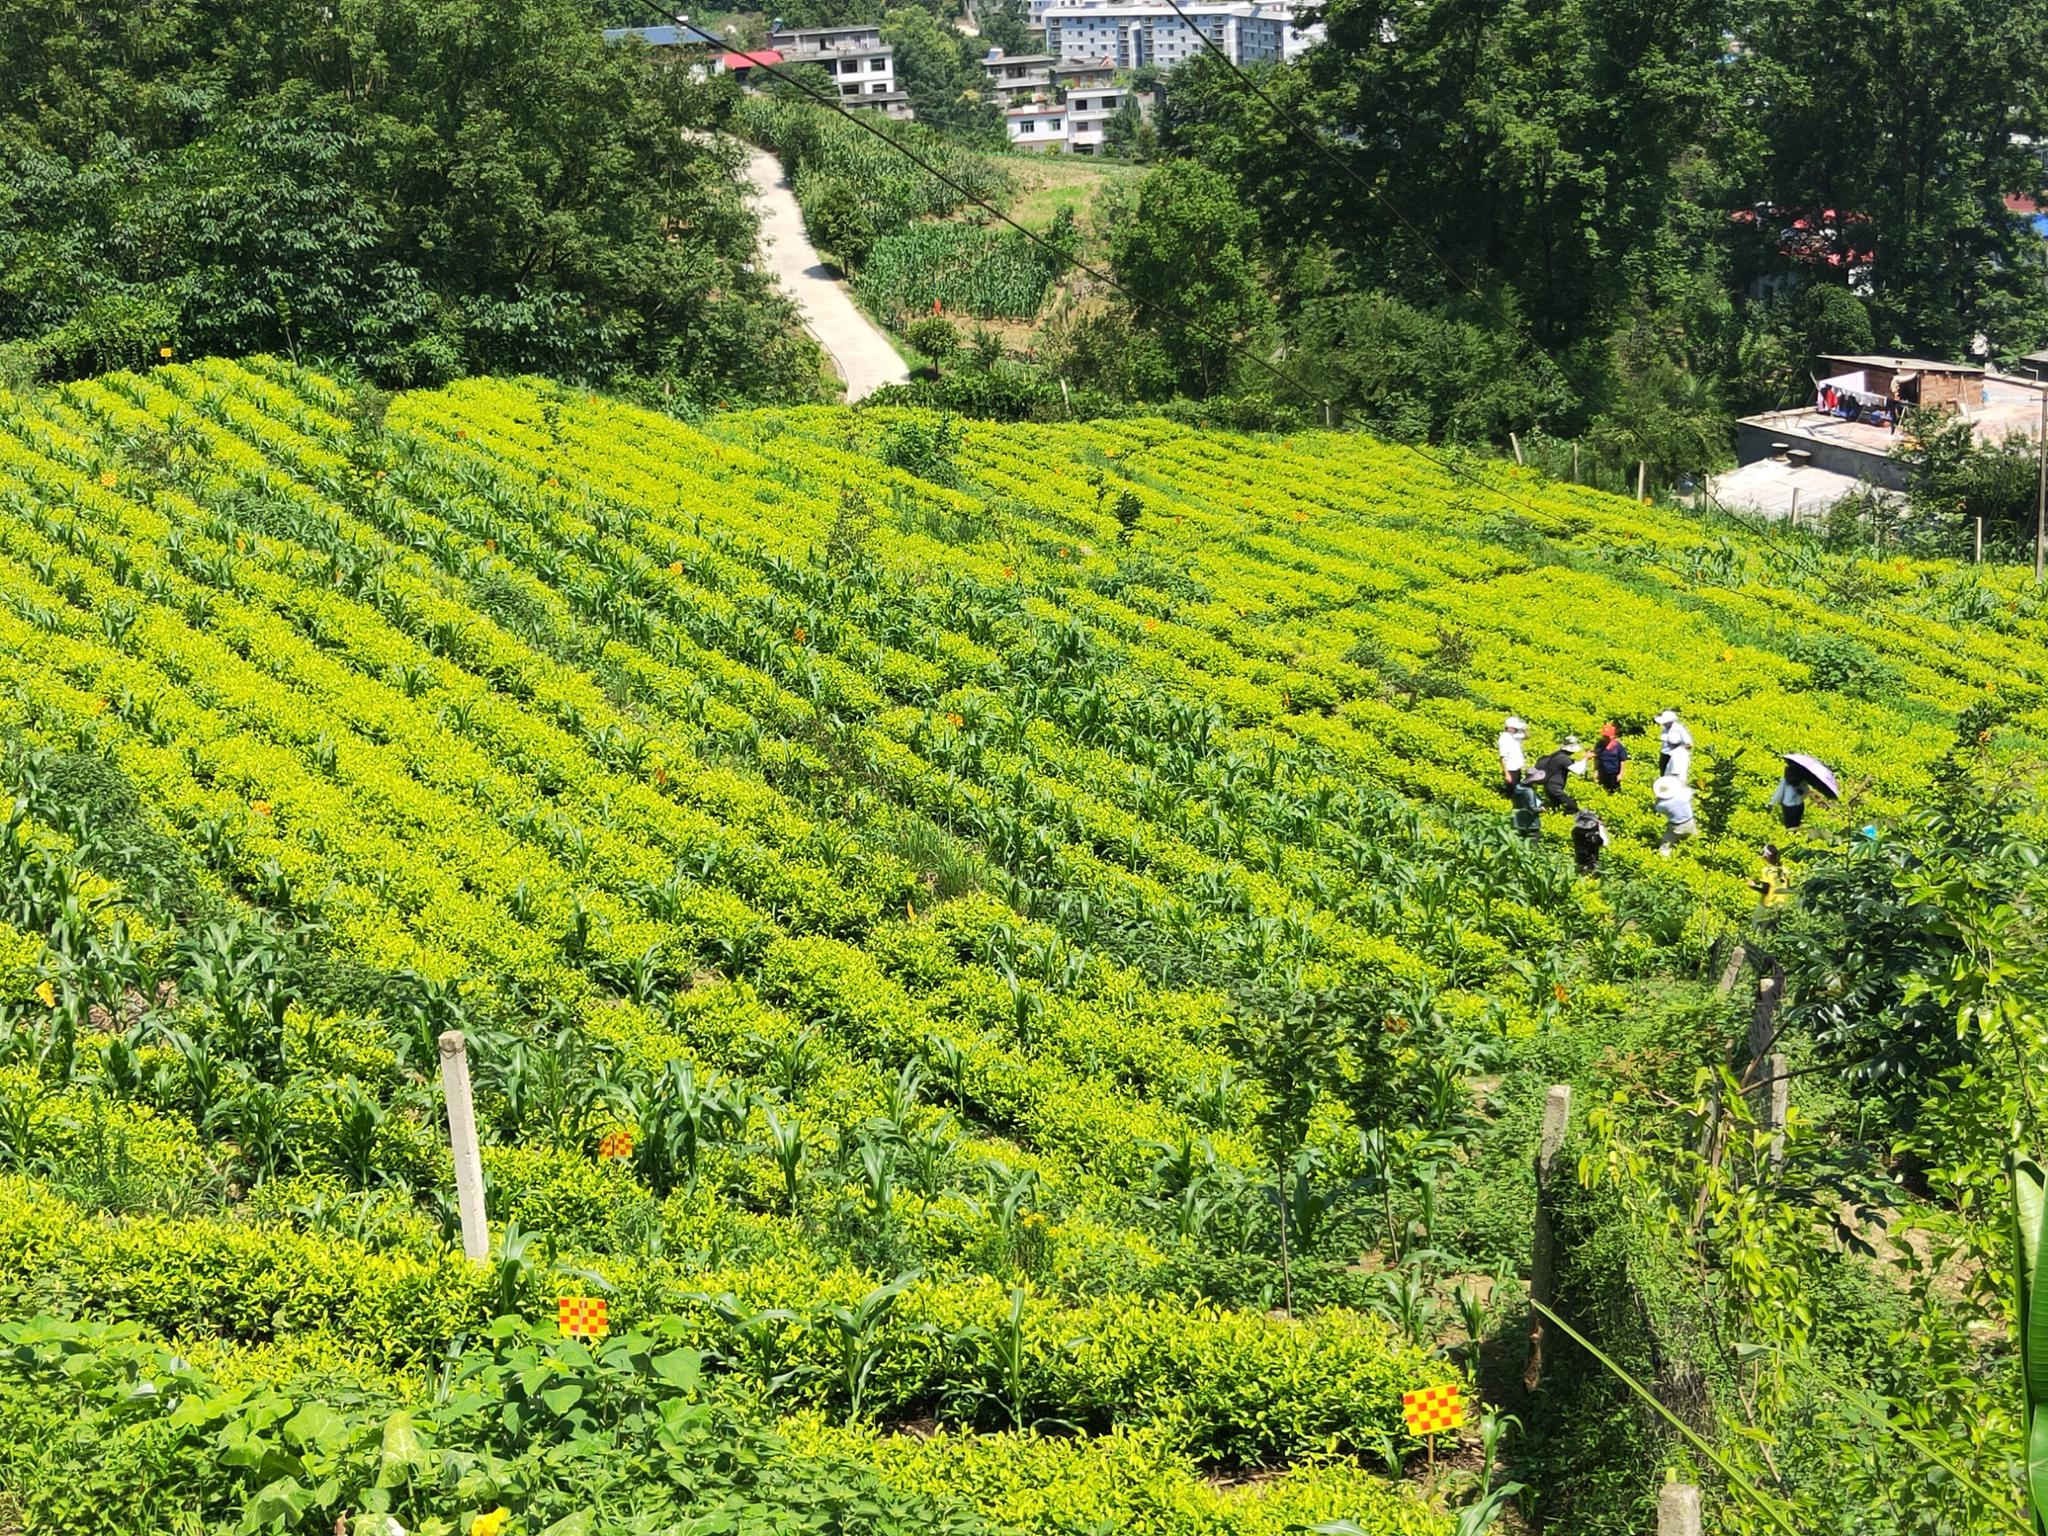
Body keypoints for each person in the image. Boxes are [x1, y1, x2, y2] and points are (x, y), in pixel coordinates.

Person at [1532, 736, 1583, 812]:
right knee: (1572, 807)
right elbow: (1578, 771)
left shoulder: (1557, 754)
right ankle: (1539, 809)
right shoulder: (1563, 758)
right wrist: (1586, 758)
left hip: (1549, 787)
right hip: (1554, 788)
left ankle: (1543, 809)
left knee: (1556, 806)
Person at [1653, 774, 1696, 856]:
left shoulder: (1663, 804)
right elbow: (1690, 791)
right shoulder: (1683, 794)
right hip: (1690, 822)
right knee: (1693, 840)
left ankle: (1664, 860)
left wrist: (1658, 798)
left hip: (1676, 827)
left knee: (1664, 846)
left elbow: (1656, 808)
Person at [1654, 709, 1693, 783]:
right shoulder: (1664, 729)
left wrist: (1678, 749)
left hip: (1675, 756)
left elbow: (1689, 744)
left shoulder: (1678, 729)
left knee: (1675, 776)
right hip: (1664, 754)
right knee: (1664, 776)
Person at [1571, 807, 1609, 875]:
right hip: (1590, 861)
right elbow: (1603, 842)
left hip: (1579, 859)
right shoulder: (1591, 834)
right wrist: (1600, 829)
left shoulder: (1575, 831)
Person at [1593, 723, 1629, 793]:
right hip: (1602, 772)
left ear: (1613, 736)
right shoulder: (1599, 744)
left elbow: (1623, 760)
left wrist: (1621, 774)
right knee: (1602, 790)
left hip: (1614, 773)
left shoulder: (1617, 746)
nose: (1605, 738)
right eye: (1604, 736)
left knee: (1614, 790)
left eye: (1607, 736)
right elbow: (1596, 758)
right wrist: (1595, 771)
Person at [1497, 716, 1528, 790]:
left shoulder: (1514, 735)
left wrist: (1524, 729)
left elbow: (1526, 736)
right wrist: (1507, 774)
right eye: (1515, 728)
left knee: (1517, 789)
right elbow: (1502, 758)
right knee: (1512, 791)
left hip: (1517, 767)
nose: (1517, 729)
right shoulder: (1504, 739)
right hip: (1511, 769)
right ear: (1509, 728)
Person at [1509, 776, 1543, 841]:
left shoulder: (1518, 787)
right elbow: (1532, 808)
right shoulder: (1529, 791)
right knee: (1534, 841)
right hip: (1531, 823)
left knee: (1522, 839)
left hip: (1519, 820)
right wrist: (1542, 809)